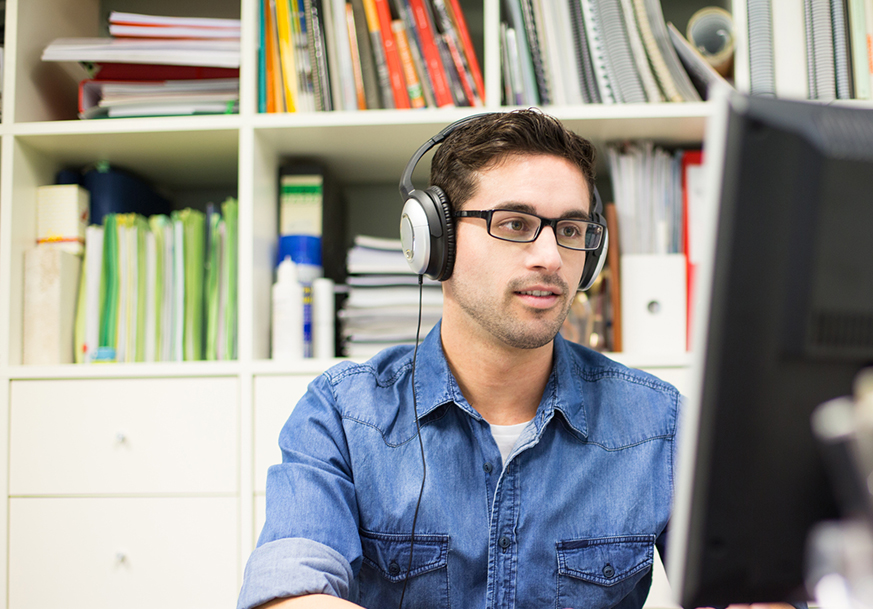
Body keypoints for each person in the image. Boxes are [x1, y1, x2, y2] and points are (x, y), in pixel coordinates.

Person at [237, 109, 681, 609]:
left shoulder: (659, 424)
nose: (551, 257)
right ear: (434, 242)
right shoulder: (344, 413)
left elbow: (749, 593)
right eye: (516, 224)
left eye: (571, 230)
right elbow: (290, 593)